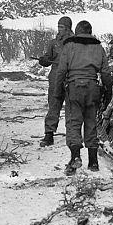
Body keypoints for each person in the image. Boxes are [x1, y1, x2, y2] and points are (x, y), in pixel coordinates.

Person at [52, 20, 111, 174]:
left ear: (76, 31)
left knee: (73, 123)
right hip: (93, 88)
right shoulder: (98, 47)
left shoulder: (69, 46)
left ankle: (75, 158)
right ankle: (93, 162)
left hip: (74, 88)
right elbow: (105, 72)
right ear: (90, 32)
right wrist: (108, 91)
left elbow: (61, 71)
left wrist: (58, 92)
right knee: (91, 123)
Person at [37, 16, 73, 147]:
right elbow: (48, 57)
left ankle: (72, 135)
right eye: (58, 27)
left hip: (70, 77)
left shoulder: (75, 43)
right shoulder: (53, 43)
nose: (59, 29)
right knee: (53, 104)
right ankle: (49, 134)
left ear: (68, 28)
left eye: (62, 27)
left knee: (71, 106)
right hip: (55, 77)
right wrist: (44, 60)